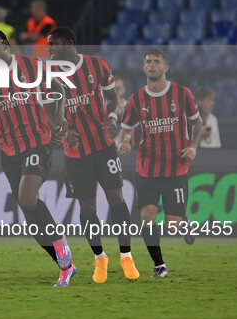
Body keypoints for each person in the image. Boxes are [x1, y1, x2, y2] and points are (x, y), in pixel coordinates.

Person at [0, 27, 76, 287]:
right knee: (31, 220)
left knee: (27, 197)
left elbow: (59, 92)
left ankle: (62, 247)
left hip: (38, 142)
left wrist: (59, 117)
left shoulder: (33, 67)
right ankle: (65, 266)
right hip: (8, 149)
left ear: (6, 45)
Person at [48, 27, 139, 283]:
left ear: (69, 43)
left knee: (117, 199)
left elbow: (112, 99)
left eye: (54, 44)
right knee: (87, 208)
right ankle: (100, 258)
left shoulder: (97, 66)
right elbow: (51, 112)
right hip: (75, 151)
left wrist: (112, 119)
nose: (51, 49)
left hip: (103, 144)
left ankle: (126, 255)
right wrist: (65, 129)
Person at [118, 48, 203, 278]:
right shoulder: (136, 100)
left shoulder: (182, 94)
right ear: (144, 67)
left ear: (165, 67)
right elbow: (125, 131)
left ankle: (183, 222)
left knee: (172, 224)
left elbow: (197, 124)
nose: (152, 65)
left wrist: (193, 146)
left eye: (156, 61)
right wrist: (122, 143)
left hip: (176, 168)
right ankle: (159, 265)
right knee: (147, 217)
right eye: (148, 61)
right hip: (146, 169)